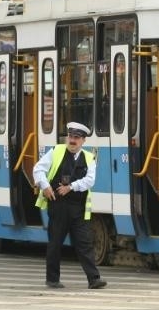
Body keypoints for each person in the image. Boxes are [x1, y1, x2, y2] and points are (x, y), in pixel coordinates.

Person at [33, 121, 107, 290]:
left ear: (83, 141)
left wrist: (71, 187)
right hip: (58, 206)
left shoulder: (89, 158)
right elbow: (38, 169)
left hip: (79, 209)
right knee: (55, 243)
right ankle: (52, 279)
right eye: (71, 137)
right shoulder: (56, 151)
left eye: (77, 138)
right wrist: (45, 186)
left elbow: (90, 180)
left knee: (85, 243)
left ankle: (94, 279)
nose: (73, 141)